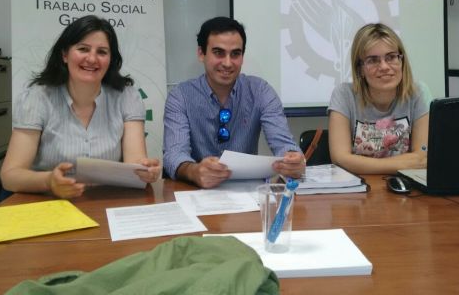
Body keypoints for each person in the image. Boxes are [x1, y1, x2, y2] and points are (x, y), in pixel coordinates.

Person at [0, 15, 161, 199]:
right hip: (48, 202)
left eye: (102, 52)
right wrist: (49, 181)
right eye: (83, 49)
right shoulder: (37, 98)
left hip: (104, 202)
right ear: (65, 55)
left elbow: (135, 166)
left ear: (110, 60)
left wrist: (145, 171)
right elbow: (10, 176)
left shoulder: (127, 96)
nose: (92, 59)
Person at [163, 16, 305, 188]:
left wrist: (292, 159)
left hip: (247, 192)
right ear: (201, 53)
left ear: (242, 56)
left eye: (235, 54)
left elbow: (283, 143)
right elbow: (174, 155)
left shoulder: (260, 91)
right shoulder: (180, 96)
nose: (228, 63)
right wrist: (194, 171)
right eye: (218, 53)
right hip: (195, 191)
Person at [328, 23, 429, 174]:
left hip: (406, 185)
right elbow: (340, 159)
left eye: (391, 57)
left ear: (401, 61)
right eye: (373, 60)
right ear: (360, 69)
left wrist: (359, 164)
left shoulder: (417, 93)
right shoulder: (344, 94)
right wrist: (405, 163)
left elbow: (422, 157)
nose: (384, 67)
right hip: (361, 186)